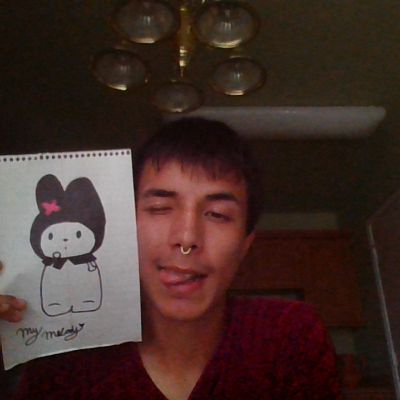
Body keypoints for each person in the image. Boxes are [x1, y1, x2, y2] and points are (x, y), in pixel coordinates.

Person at [0, 118, 342, 399]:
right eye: (160, 208)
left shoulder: (287, 337)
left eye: (218, 214)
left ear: (245, 245)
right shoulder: (65, 359)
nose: (187, 238)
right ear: (123, 228)